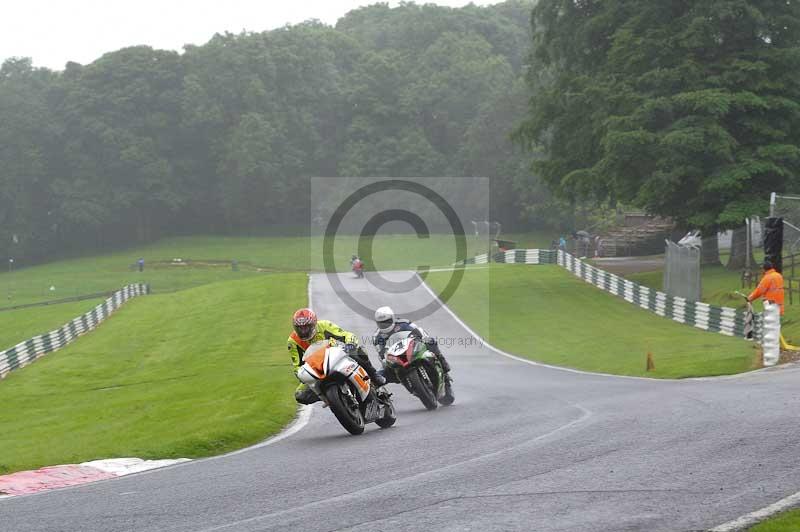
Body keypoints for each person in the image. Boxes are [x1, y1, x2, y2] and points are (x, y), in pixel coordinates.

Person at [288, 308, 386, 405]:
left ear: (314, 324)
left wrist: (350, 343)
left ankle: (373, 375)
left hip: (335, 355)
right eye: (300, 328)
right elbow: (297, 365)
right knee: (300, 395)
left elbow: (346, 335)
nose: (303, 331)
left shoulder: (324, 325)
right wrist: (301, 375)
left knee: (358, 351)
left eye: (306, 327)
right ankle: (330, 398)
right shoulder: (293, 341)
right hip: (316, 369)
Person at [372, 306, 453, 398]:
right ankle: (379, 398)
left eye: (387, 321)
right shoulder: (377, 336)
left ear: (392, 318)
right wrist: (385, 361)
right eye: (382, 323)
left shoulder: (403, 323)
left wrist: (423, 338)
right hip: (396, 358)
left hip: (412, 349)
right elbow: (381, 354)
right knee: (377, 375)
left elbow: (419, 331)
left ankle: (444, 367)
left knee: (431, 341)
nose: (385, 325)